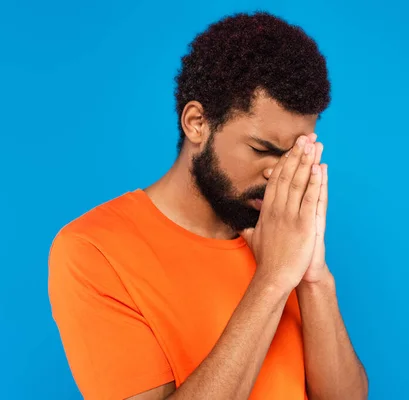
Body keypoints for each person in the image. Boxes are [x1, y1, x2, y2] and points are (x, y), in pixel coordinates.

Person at [48, 11, 368, 400]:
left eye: (294, 154)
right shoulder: (94, 250)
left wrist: (313, 278)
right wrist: (272, 281)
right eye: (261, 149)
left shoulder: (281, 234)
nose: (278, 174)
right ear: (196, 122)